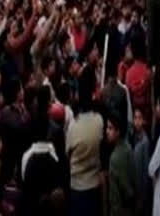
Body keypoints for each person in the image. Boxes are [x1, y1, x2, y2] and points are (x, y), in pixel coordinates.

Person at [66, 70, 104, 215]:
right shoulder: (99, 121)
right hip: (94, 187)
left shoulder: (73, 126)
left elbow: (67, 153)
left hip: (77, 188)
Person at [106, 111, 137, 216]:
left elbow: (126, 189)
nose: (107, 131)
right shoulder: (127, 147)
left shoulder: (115, 158)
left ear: (118, 131)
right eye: (107, 128)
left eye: (110, 128)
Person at [131, 108, 152, 216]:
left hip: (142, 188)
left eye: (139, 118)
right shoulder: (134, 137)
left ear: (144, 120)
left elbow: (146, 169)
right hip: (134, 185)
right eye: (135, 118)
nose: (137, 121)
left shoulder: (145, 141)